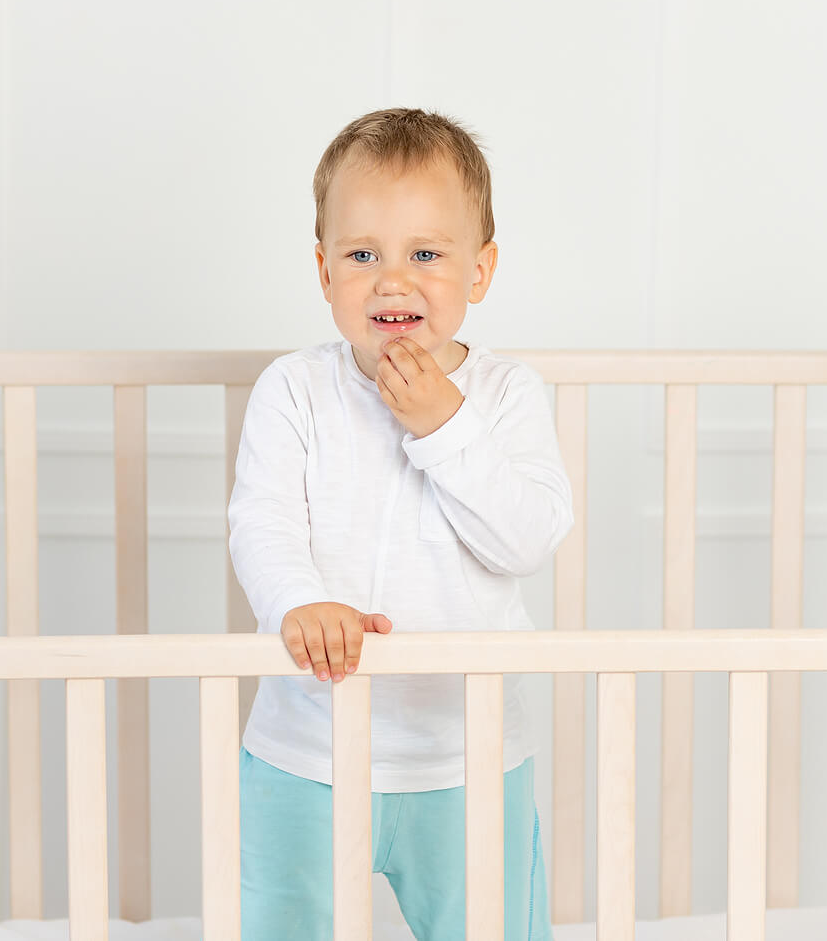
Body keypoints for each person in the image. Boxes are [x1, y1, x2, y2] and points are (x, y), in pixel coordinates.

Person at [227, 107, 573, 940]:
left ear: (480, 270)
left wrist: (444, 425)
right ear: (323, 271)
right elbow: (263, 521)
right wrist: (299, 603)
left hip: (467, 751)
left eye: (425, 254)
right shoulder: (295, 389)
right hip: (307, 750)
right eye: (362, 255)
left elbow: (528, 537)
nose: (393, 280)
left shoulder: (506, 395)